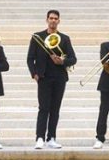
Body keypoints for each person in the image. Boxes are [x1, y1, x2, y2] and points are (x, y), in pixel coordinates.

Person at [27, 10, 77, 149]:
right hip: (43, 77)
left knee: (55, 109)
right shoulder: (38, 37)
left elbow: (73, 58)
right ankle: (40, 138)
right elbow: (30, 58)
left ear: (59, 21)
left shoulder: (65, 38)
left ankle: (52, 138)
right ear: (47, 20)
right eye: (51, 18)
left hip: (60, 77)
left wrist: (62, 61)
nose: (53, 20)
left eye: (56, 18)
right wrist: (34, 74)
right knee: (43, 108)